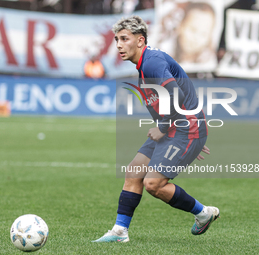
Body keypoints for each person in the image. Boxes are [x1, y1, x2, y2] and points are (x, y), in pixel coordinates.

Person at [93, 16, 219, 243]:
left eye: (124, 39)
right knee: (133, 172)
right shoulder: (144, 65)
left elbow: (175, 95)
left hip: (183, 129)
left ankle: (203, 213)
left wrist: (171, 130)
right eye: (116, 39)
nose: (119, 45)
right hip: (179, 129)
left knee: (153, 183)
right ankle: (120, 232)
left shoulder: (152, 62)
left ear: (140, 41)